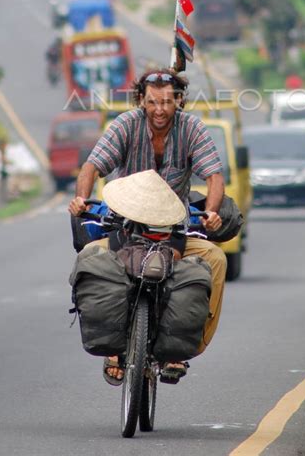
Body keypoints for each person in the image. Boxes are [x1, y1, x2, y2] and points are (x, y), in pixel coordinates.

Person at [68, 68, 226, 385]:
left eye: (167, 102)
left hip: (174, 230)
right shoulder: (125, 124)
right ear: (141, 100)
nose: (159, 110)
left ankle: (187, 345)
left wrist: (211, 212)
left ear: (178, 101)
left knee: (216, 260)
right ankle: (113, 348)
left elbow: (214, 177)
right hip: (125, 227)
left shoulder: (192, 128)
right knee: (90, 256)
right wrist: (81, 199)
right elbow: (92, 166)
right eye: (153, 102)